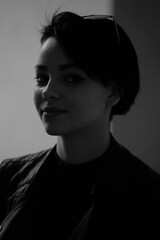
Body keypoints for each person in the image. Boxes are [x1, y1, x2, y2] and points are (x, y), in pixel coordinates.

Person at [0, 10, 160, 240]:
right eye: (42, 78)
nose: (48, 91)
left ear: (113, 91)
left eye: (72, 78)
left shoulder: (148, 196)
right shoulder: (9, 177)